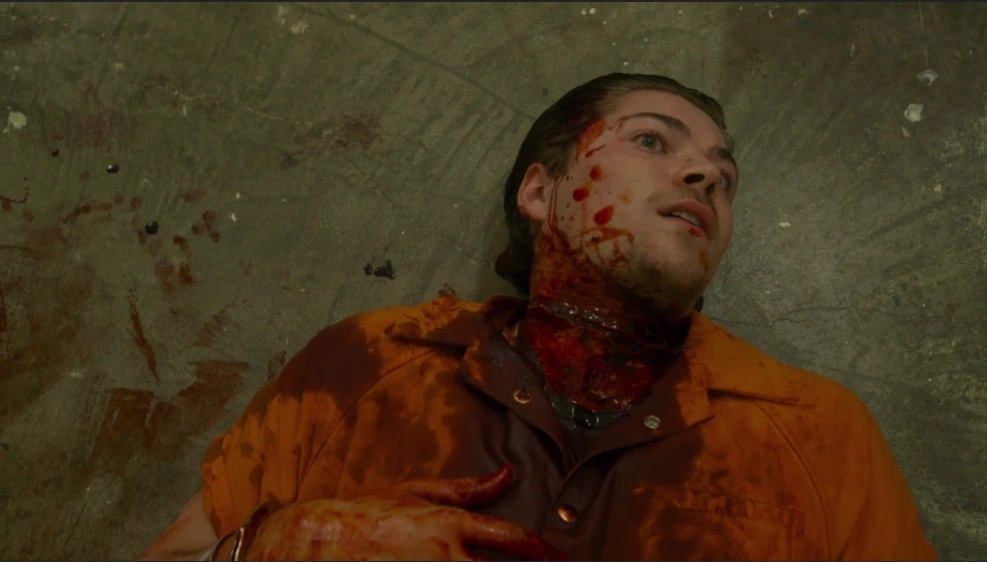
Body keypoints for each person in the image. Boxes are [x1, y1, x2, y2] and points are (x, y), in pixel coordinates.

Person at [139, 73, 937, 561]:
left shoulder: (818, 434)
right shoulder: (365, 364)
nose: (702, 174)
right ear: (539, 191)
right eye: (652, 141)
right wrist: (267, 548)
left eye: (723, 178)